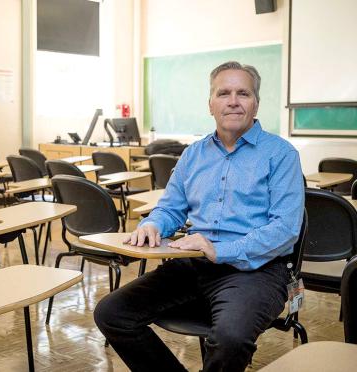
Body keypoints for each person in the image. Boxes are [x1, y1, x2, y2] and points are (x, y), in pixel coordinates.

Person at [94, 61, 304, 372]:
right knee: (112, 313)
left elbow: (285, 229)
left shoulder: (282, 155)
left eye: (243, 93)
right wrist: (153, 223)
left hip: (257, 270)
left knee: (230, 337)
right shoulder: (193, 154)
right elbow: (171, 207)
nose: (233, 101)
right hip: (195, 265)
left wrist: (221, 250)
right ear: (210, 104)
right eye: (224, 93)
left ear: (256, 103)